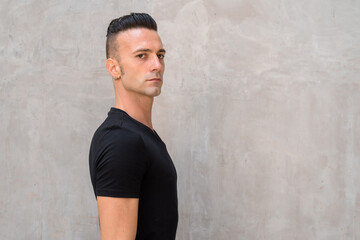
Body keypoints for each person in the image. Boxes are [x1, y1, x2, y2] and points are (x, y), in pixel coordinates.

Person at [89, 13, 178, 240]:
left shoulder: (140, 135)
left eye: (160, 55)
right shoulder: (122, 141)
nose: (156, 65)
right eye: (142, 56)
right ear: (114, 68)